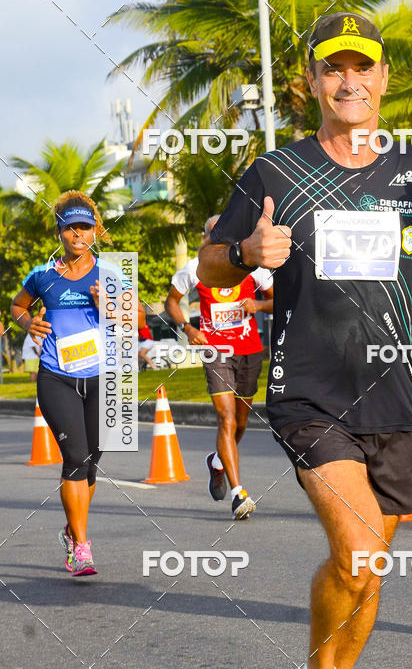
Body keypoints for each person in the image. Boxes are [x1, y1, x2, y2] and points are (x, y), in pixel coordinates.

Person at [197, 12, 412, 669]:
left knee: (366, 573)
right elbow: (209, 265)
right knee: (357, 555)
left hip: (388, 397)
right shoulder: (275, 173)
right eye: (333, 69)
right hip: (308, 393)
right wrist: (249, 252)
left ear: (385, 79)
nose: (349, 82)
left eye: (364, 68)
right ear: (311, 82)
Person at [11, 191, 143, 577]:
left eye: (85, 227)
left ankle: (72, 530)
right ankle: (81, 548)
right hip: (57, 377)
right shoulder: (43, 275)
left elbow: (135, 319)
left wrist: (110, 307)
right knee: (75, 459)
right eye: (70, 228)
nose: (78, 235)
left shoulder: (111, 275)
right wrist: (27, 322)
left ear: (96, 231)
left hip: (102, 379)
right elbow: (18, 306)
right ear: (60, 233)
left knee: (91, 465)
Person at [165, 215, 273, 520]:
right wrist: (188, 328)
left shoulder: (253, 266)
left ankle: (217, 461)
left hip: (250, 350)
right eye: (215, 235)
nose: (222, 239)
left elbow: (278, 300)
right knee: (226, 420)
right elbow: (172, 301)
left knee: (240, 424)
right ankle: (239, 494)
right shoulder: (194, 269)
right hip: (216, 351)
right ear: (207, 238)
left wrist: (259, 306)